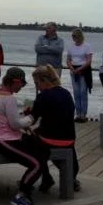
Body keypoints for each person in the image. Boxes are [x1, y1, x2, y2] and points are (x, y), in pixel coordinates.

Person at [0, 67, 43, 205]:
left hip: (1, 138)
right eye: (21, 84)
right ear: (15, 82)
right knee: (36, 164)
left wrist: (22, 114)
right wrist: (31, 118)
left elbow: (8, 117)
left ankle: (29, 181)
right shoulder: (10, 98)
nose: (22, 87)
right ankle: (21, 195)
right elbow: (15, 124)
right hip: (2, 140)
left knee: (39, 146)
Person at [28, 65, 81, 193]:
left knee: (28, 140)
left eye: (37, 83)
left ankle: (45, 177)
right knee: (56, 132)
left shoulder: (43, 96)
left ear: (44, 80)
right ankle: (71, 177)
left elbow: (31, 120)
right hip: (69, 139)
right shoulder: (66, 93)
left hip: (50, 140)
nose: (37, 87)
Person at [66, 28, 93, 122]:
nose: (74, 38)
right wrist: (72, 68)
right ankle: (77, 114)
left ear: (80, 36)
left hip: (84, 70)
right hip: (74, 70)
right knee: (76, 93)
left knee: (83, 92)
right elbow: (68, 60)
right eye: (72, 36)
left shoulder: (87, 46)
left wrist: (80, 69)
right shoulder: (71, 47)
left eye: (75, 36)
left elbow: (89, 60)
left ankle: (83, 114)